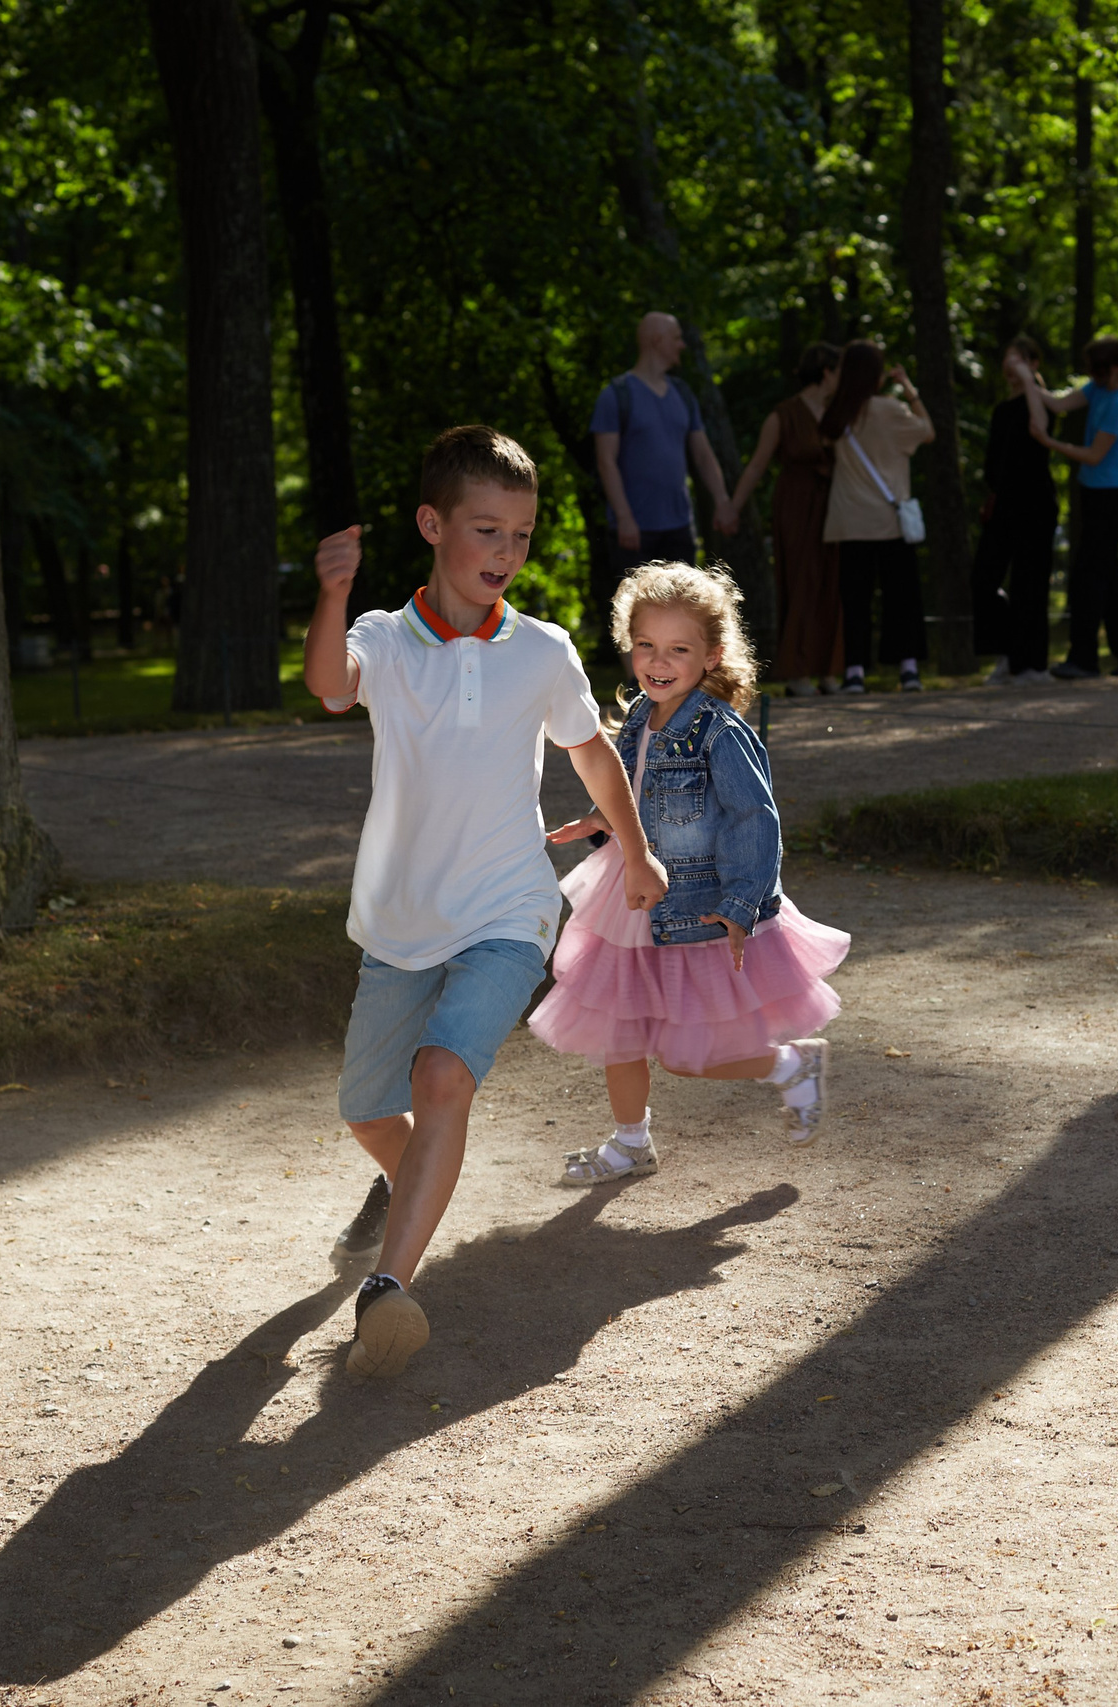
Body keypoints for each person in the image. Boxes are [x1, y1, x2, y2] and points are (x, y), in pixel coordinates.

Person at [301, 425, 666, 1379]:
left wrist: (635, 851)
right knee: (366, 1110)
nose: (506, 554)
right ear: (433, 525)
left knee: (440, 1080)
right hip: (399, 920)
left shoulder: (541, 651)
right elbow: (332, 687)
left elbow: (590, 750)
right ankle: (406, 1180)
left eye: (521, 535)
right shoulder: (384, 635)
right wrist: (334, 591)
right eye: (486, 531)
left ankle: (389, 1288)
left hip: (509, 910)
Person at [528, 562, 845, 1182]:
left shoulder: (720, 733)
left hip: (695, 906)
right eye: (645, 644)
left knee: (686, 1055)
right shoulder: (641, 716)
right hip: (629, 894)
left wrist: (743, 904)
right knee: (616, 1030)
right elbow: (637, 790)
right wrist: (599, 821)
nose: (657, 660)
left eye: (678, 648)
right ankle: (630, 1143)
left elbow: (754, 818)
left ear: (711, 655)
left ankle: (790, 1065)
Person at [589, 312, 738, 635]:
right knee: (630, 606)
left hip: (678, 525)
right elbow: (606, 462)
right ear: (656, 341)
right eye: (676, 338)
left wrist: (723, 500)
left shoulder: (683, 394)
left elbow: (702, 453)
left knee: (683, 604)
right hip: (634, 527)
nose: (682, 345)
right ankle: (632, 682)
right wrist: (625, 516)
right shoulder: (615, 395)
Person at [728, 343, 845, 698]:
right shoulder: (784, 415)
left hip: (834, 506)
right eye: (839, 372)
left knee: (832, 585)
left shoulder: (840, 414)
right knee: (801, 582)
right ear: (826, 372)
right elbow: (758, 465)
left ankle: (829, 671)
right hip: (796, 506)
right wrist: (733, 507)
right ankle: (799, 672)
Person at [1035, 336, 1118, 678]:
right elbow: (1057, 405)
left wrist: (1050, 443)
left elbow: (1094, 455)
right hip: (1093, 491)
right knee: (1108, 579)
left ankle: (1085, 658)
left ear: (1116, 369)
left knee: (1087, 577)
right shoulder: (1098, 389)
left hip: (1114, 495)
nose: (1095, 377)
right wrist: (1027, 378)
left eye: (1100, 372)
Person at [820, 339, 934, 693]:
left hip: (850, 521)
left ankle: (854, 671)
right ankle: (908, 668)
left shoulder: (836, 414)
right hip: (889, 522)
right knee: (902, 597)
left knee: (855, 600)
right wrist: (910, 390)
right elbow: (928, 432)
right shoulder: (892, 409)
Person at [973, 336, 1059, 685]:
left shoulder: (1042, 403)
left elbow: (1040, 429)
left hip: (1036, 504)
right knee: (983, 579)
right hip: (1004, 505)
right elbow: (994, 465)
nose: (1011, 366)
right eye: (1009, 359)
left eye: (1019, 359)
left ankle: (1032, 664)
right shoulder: (1000, 411)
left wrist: (1028, 382)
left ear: (1033, 363)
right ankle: (1008, 653)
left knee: (1031, 583)